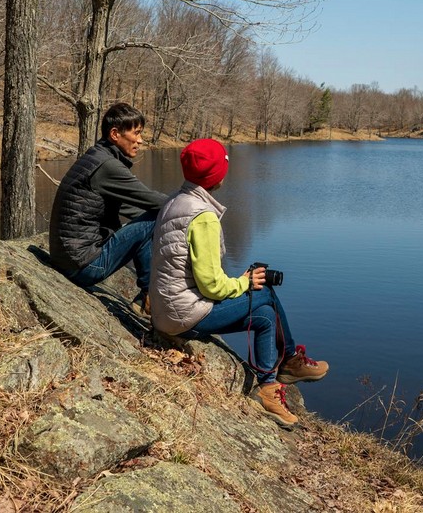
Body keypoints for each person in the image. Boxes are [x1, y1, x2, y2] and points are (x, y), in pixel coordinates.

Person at [149, 138, 329, 429]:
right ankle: (290, 360)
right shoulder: (203, 217)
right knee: (264, 291)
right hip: (183, 314)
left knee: (265, 317)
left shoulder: (175, 201)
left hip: (165, 310)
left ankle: (269, 387)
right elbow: (211, 285)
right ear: (216, 174)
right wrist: (244, 282)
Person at [49, 103, 168, 304]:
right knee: (159, 216)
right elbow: (156, 201)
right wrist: (194, 205)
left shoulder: (97, 156)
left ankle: (147, 295)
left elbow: (133, 209)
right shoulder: (107, 166)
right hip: (84, 266)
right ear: (115, 134)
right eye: (136, 133)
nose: (140, 140)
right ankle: (150, 298)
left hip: (68, 259)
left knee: (150, 219)